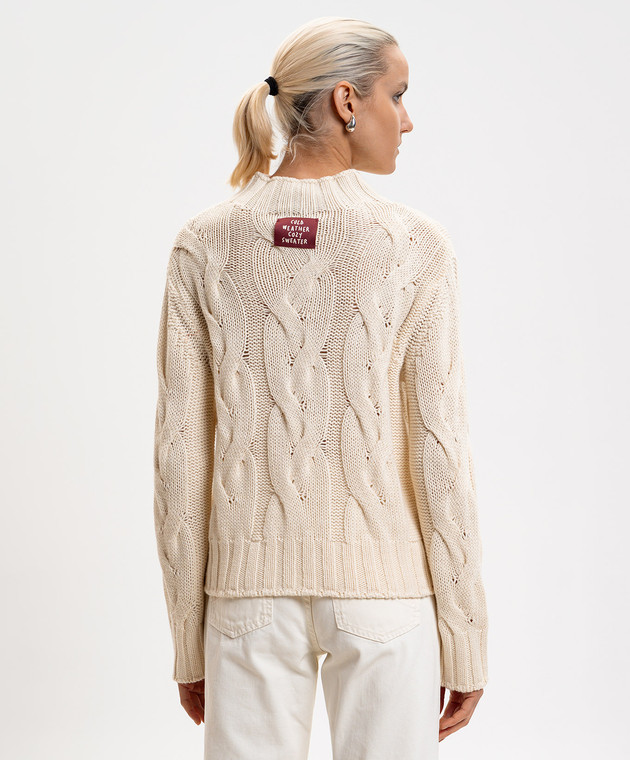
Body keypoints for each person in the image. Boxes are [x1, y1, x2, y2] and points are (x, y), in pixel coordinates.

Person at [153, 15, 489, 759]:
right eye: (397, 95)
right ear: (346, 100)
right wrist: (465, 637)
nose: (407, 120)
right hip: (386, 598)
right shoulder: (413, 246)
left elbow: (181, 458)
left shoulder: (204, 243)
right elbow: (439, 454)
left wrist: (189, 638)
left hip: (244, 599)